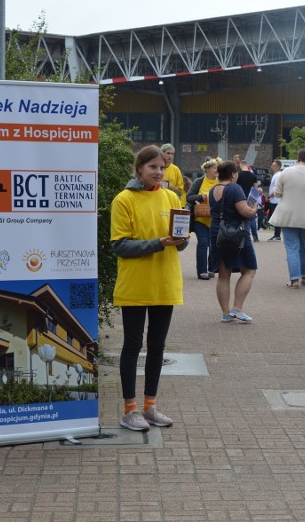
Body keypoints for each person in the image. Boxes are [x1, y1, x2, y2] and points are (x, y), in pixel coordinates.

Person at [110, 145, 189, 431]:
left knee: (157, 347)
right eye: (153, 167)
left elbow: (180, 244)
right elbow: (120, 245)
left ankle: (150, 407)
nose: (158, 172)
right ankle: (129, 410)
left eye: (162, 168)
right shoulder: (124, 199)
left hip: (165, 283)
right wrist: (159, 243)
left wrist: (181, 239)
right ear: (139, 168)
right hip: (135, 285)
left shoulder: (171, 198)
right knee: (132, 345)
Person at [209, 160, 259, 323]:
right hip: (235, 233)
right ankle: (237, 309)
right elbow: (245, 212)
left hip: (217, 233)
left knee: (224, 274)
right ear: (232, 174)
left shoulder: (213, 189)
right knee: (249, 270)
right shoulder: (234, 188)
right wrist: (254, 209)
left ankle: (225, 313)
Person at [269, 148, 305, 288]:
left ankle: (294, 279)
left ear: (297, 158)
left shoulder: (286, 172)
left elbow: (277, 193)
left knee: (292, 247)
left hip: (288, 215)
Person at [186, 157, 220, 280]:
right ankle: (202, 271)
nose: (217, 169)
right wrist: (201, 197)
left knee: (213, 245)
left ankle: (211, 269)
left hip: (215, 220)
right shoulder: (199, 181)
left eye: (218, 167)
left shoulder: (220, 182)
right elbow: (189, 197)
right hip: (200, 219)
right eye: (215, 167)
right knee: (203, 243)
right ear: (208, 169)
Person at [267, 159, 283, 241]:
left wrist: (270, 196)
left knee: (276, 218)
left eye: (273, 165)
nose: (272, 167)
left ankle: (277, 235)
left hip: (276, 200)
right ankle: (276, 235)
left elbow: (276, 188)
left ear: (278, 167)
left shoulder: (278, 175)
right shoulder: (276, 174)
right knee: (274, 217)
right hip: (274, 200)